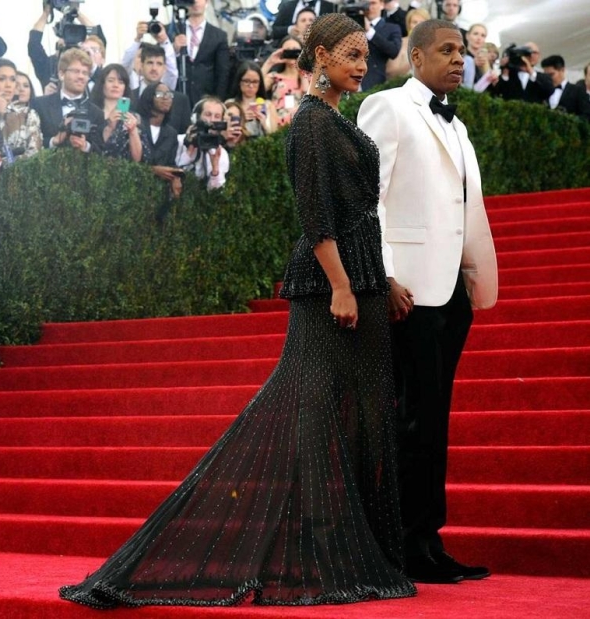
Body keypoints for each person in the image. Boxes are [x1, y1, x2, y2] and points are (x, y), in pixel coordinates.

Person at [59, 14, 417, 609]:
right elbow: (316, 216)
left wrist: (383, 278)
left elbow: (358, 216)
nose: (362, 64)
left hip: (365, 278)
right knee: (311, 412)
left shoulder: (335, 118)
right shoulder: (308, 123)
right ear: (320, 57)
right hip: (333, 287)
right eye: (351, 54)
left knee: (364, 416)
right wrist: (344, 287)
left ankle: (356, 553)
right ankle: (318, 552)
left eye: (365, 55)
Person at [358, 18, 498, 585]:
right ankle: (401, 543)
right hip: (408, 292)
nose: (458, 59)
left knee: (432, 420)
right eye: (446, 50)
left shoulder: (458, 126)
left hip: (450, 296)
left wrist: (469, 276)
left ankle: (428, 540)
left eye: (462, 51)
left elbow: (461, 211)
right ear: (415, 58)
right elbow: (370, 200)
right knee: (411, 421)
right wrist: (385, 277)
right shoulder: (387, 108)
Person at [32, 48, 104, 153]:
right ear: (61, 74)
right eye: (76, 71)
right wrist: (54, 141)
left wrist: (85, 146)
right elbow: (30, 144)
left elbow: (102, 151)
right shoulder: (39, 105)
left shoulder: (96, 113)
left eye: (85, 73)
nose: (81, 76)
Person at [172, 0, 231, 106]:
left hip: (205, 98)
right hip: (176, 95)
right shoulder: (173, 30)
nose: (195, 2)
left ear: (207, 1)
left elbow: (223, 73)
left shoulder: (219, 36)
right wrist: (174, 49)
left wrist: (218, 102)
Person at [0, 59, 42, 160]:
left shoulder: (27, 114)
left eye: (12, 79)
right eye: (1, 79)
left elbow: (34, 153)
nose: (8, 85)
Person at [132, 44, 191, 135]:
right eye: (150, 63)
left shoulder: (181, 101)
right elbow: (119, 128)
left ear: (164, 68)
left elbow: (185, 136)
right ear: (141, 65)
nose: (154, 68)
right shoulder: (125, 98)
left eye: (159, 64)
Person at [137, 82, 183, 202]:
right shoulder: (136, 125)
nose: (166, 97)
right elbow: (126, 161)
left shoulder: (172, 133)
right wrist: (152, 170)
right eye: (160, 94)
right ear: (149, 97)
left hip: (158, 196)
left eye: (168, 94)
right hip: (134, 191)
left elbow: (170, 163)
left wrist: (175, 178)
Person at [91, 64, 145, 162]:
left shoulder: (133, 117)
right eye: (110, 81)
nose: (115, 85)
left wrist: (133, 131)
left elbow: (138, 159)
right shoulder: (92, 113)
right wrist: (109, 126)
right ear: (102, 84)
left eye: (121, 82)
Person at [175, 97, 230, 190]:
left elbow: (216, 192)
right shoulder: (178, 141)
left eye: (217, 116)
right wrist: (189, 152)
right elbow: (172, 175)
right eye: (208, 114)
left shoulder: (221, 153)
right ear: (195, 117)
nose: (211, 120)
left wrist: (215, 168)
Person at [261, 36, 308, 127]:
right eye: (288, 50)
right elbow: (257, 86)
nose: (292, 53)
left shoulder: (309, 77)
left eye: (295, 51)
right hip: (277, 125)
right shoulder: (274, 77)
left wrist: (302, 71)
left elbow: (310, 99)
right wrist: (270, 62)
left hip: (300, 126)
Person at [361, 0, 402, 90]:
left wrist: (370, 32)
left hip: (374, 82)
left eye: (373, 3)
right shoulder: (352, 26)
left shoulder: (392, 28)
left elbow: (394, 51)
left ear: (382, 5)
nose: (370, 7)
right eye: (366, 4)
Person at [229, 61, 278, 138]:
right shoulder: (230, 104)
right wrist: (241, 119)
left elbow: (275, 136)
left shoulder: (268, 105)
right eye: (246, 81)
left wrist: (264, 124)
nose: (251, 85)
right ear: (239, 81)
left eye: (255, 82)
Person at [541, 55, 590, 121]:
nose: (548, 79)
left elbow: (586, 116)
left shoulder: (578, 91)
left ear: (562, 70)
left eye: (551, 75)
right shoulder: (542, 91)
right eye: (545, 76)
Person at [8, 71, 45, 158]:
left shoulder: (31, 114)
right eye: (17, 85)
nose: (21, 89)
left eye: (26, 86)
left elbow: (34, 151)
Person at [386, 8, 430, 80]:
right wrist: (413, 62)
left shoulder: (435, 43)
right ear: (408, 25)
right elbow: (390, 72)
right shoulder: (401, 43)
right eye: (414, 22)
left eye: (422, 22)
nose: (418, 25)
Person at [271, 0, 336, 43]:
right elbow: (274, 31)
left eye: (311, 20)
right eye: (303, 20)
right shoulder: (287, 6)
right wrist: (290, 30)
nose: (308, 23)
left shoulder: (330, 7)